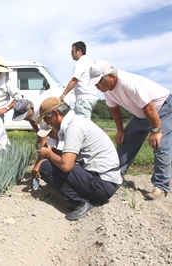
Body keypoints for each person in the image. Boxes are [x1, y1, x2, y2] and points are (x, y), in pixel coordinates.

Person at [88, 60, 172, 200]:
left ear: (110, 76)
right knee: (125, 141)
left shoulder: (127, 83)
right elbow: (114, 108)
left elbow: (148, 106)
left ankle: (161, 187)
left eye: (98, 82)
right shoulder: (107, 89)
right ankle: (115, 176)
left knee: (160, 145)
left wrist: (157, 131)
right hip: (141, 115)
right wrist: (120, 130)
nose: (96, 86)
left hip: (161, 108)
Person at [37, 97, 122, 220]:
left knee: (46, 167)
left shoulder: (74, 128)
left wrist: (49, 154)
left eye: (46, 119)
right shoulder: (77, 122)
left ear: (55, 114)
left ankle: (83, 202)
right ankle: (89, 197)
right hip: (107, 181)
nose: (48, 124)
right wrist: (54, 152)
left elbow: (66, 166)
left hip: (103, 185)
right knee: (53, 162)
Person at [60, 41, 98, 119]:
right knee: (75, 121)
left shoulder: (81, 62)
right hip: (90, 97)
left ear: (79, 51)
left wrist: (63, 94)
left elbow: (74, 80)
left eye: (72, 51)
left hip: (84, 98)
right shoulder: (89, 62)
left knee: (83, 125)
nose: (71, 54)